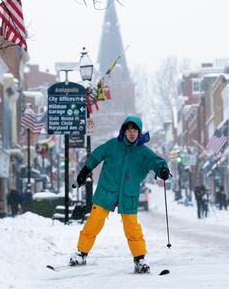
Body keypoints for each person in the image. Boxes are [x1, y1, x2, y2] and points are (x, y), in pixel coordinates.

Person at [69, 116, 170, 274]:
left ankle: (139, 259)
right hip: (106, 191)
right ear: (124, 130)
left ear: (139, 132)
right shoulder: (113, 145)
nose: (132, 133)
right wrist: (84, 173)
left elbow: (157, 162)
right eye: (129, 129)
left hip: (128, 195)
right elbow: (96, 156)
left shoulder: (143, 152)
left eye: (135, 130)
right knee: (94, 222)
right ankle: (81, 253)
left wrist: (163, 170)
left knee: (132, 227)